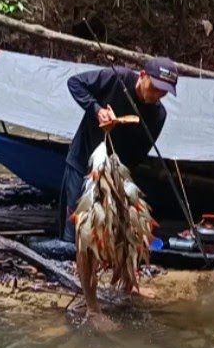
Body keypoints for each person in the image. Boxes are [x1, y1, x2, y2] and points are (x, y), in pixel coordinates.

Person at [59, 57, 177, 245]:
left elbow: (137, 154)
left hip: (113, 174)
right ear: (143, 75)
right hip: (83, 158)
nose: (156, 95)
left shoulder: (158, 115)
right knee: (73, 224)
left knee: (102, 228)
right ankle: (65, 259)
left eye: (163, 93)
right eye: (154, 88)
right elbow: (75, 83)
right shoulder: (118, 78)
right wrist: (97, 110)